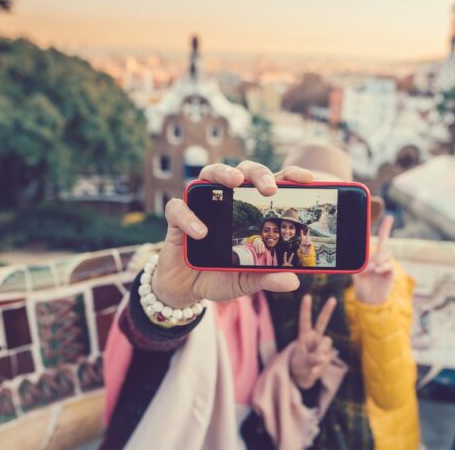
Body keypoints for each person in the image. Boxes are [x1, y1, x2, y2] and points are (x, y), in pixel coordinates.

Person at [101, 162, 346, 449]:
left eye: (293, 227)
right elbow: (146, 338)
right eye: (282, 226)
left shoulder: (279, 301)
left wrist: (298, 377)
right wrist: (169, 299)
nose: (284, 232)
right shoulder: (227, 274)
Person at [263, 144, 420, 450]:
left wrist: (376, 308)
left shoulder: (380, 274)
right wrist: (297, 373)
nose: (309, 225)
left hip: (369, 438)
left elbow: (391, 397)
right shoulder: (267, 277)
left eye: (326, 209)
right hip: (297, 431)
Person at [248, 208, 316, 267]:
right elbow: (261, 238)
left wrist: (306, 255)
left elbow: (311, 270)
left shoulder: (304, 244)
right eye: (283, 227)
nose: (287, 231)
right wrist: (256, 239)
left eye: (291, 228)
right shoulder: (276, 240)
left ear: (296, 230)